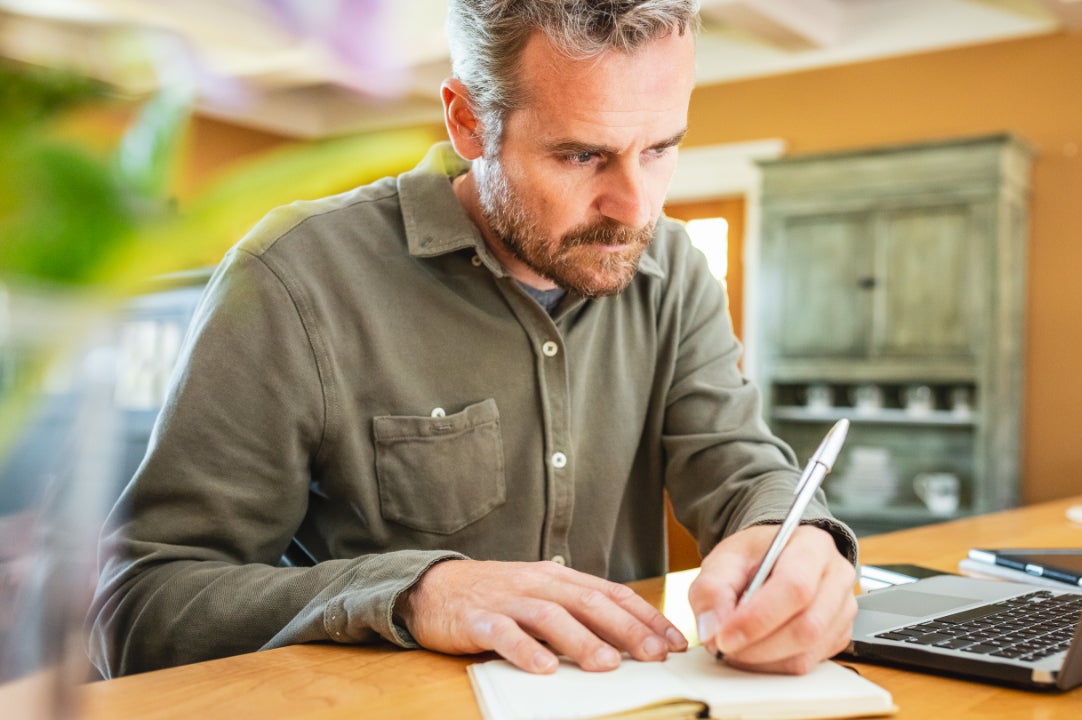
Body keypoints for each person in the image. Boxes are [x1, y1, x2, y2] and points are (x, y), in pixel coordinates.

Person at [89, 0, 859, 679]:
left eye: (660, 149)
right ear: (468, 122)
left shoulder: (673, 268)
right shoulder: (295, 279)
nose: (634, 208)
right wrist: (416, 592)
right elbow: (140, 605)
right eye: (581, 154)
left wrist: (787, 538)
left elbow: (738, 465)